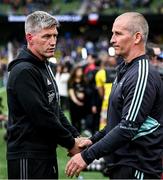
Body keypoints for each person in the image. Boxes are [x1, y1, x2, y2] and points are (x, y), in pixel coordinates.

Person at [65, 12, 163, 179]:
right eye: (112, 33)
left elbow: (127, 128)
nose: (111, 39)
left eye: (118, 33)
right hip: (122, 166)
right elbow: (117, 120)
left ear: (137, 37)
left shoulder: (142, 74)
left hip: (137, 168)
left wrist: (87, 156)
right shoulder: (125, 70)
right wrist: (93, 140)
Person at [6, 11, 82, 179]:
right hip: (27, 155)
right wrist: (70, 143)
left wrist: (76, 137)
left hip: (44, 153)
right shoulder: (24, 70)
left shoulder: (44, 65)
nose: (53, 42)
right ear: (30, 37)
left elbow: (55, 108)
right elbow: (41, 116)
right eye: (46, 36)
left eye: (55, 36)